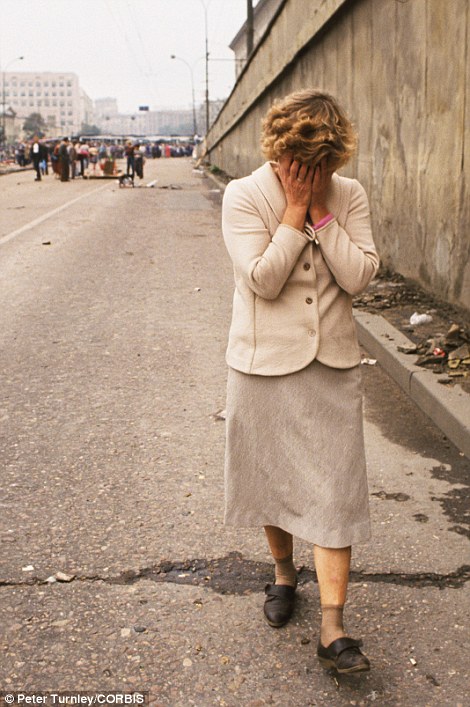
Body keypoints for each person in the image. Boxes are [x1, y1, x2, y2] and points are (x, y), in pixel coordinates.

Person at [222, 89, 379, 674]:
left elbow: (359, 276)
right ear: (279, 149)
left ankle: (333, 627)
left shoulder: (348, 193)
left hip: (331, 365)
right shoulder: (243, 195)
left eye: (326, 164)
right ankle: (285, 574)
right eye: (304, 162)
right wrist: (292, 213)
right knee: (272, 479)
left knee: (335, 490)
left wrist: (321, 213)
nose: (315, 173)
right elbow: (263, 280)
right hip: (262, 364)